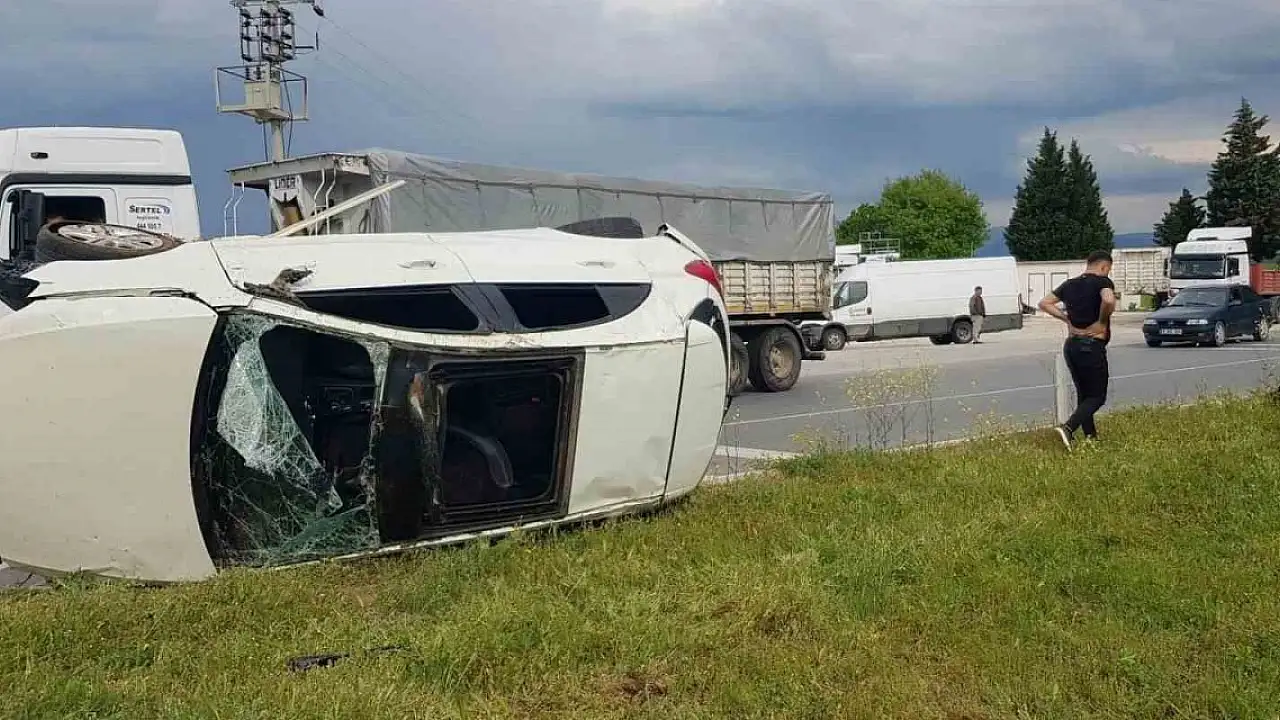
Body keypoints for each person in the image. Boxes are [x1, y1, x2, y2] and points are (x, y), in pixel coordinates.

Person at [1037, 250, 1117, 449]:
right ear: (1104, 266)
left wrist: (1067, 320)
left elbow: (1044, 303)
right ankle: (1068, 428)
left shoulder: (1069, 284)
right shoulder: (1103, 282)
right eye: (1108, 269)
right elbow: (1108, 300)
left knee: (1084, 394)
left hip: (1072, 345)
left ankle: (1091, 437)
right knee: (1097, 396)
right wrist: (1102, 321)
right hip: (1091, 346)